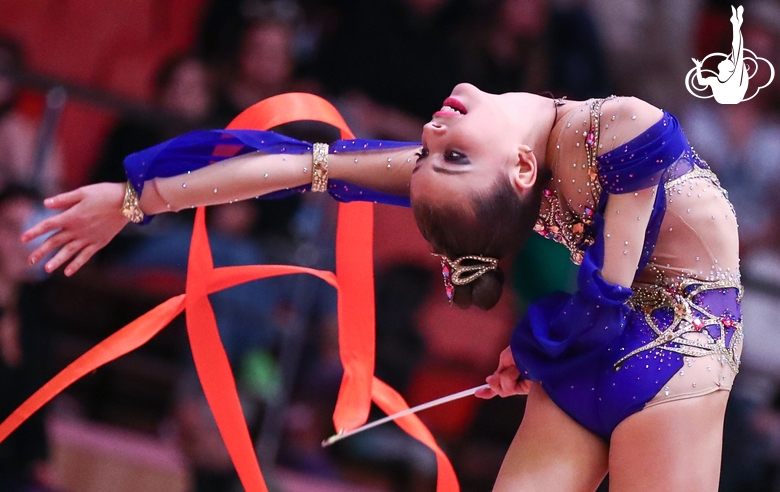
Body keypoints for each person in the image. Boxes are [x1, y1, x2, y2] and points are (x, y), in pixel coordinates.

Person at [19, 82, 741, 491]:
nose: (430, 132)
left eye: (442, 154)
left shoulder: (618, 126)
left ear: (524, 173)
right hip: (604, 359)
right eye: (432, 153)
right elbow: (299, 164)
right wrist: (133, 200)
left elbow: (612, 287)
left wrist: (542, 354)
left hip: (672, 359)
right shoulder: (499, 170)